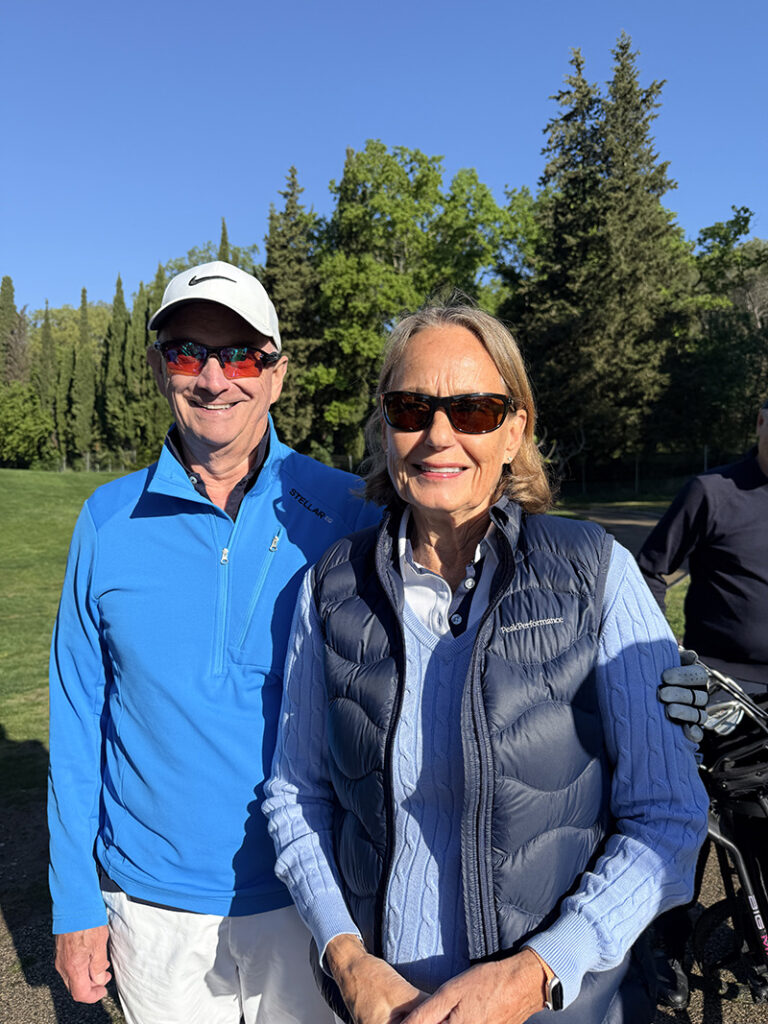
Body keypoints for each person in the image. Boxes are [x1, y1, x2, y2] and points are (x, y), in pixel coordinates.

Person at [263, 302, 709, 1024]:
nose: (438, 435)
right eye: (411, 408)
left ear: (515, 431)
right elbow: (296, 793)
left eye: (474, 410)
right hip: (381, 1008)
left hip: (555, 1007)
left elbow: (668, 815)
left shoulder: (596, 573)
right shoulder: (332, 587)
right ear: (385, 428)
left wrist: (538, 974)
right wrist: (346, 961)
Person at [47, 261, 380, 1024]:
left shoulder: (347, 511)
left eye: (240, 356)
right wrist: (74, 900)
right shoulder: (106, 521)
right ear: (160, 368)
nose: (213, 378)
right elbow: (76, 721)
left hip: (312, 897)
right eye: (187, 352)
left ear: (277, 374)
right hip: (151, 906)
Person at [636, 397, 768, 1008]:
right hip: (723, 688)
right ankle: (665, 937)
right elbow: (651, 571)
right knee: (692, 810)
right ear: (760, 422)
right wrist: (667, 654)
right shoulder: (712, 493)